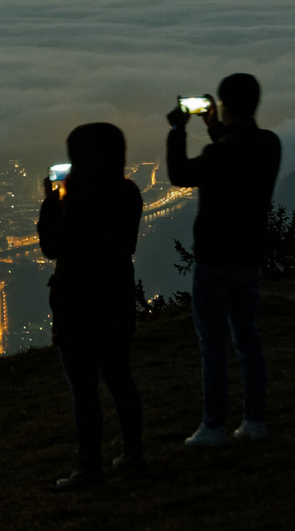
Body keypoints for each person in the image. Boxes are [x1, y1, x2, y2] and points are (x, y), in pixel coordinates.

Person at [165, 73, 281, 446]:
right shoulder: (268, 144)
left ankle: (213, 426)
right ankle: (255, 420)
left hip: (214, 258)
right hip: (249, 255)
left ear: (224, 104)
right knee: (248, 338)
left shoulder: (220, 154)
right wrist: (216, 128)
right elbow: (238, 153)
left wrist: (177, 130)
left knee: (213, 345)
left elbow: (179, 173)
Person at [37, 122, 145, 490]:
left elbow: (53, 246)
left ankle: (89, 466)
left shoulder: (79, 201)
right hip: (116, 296)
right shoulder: (128, 192)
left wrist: (52, 201)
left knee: (83, 390)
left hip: (78, 302)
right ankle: (134, 454)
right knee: (120, 380)